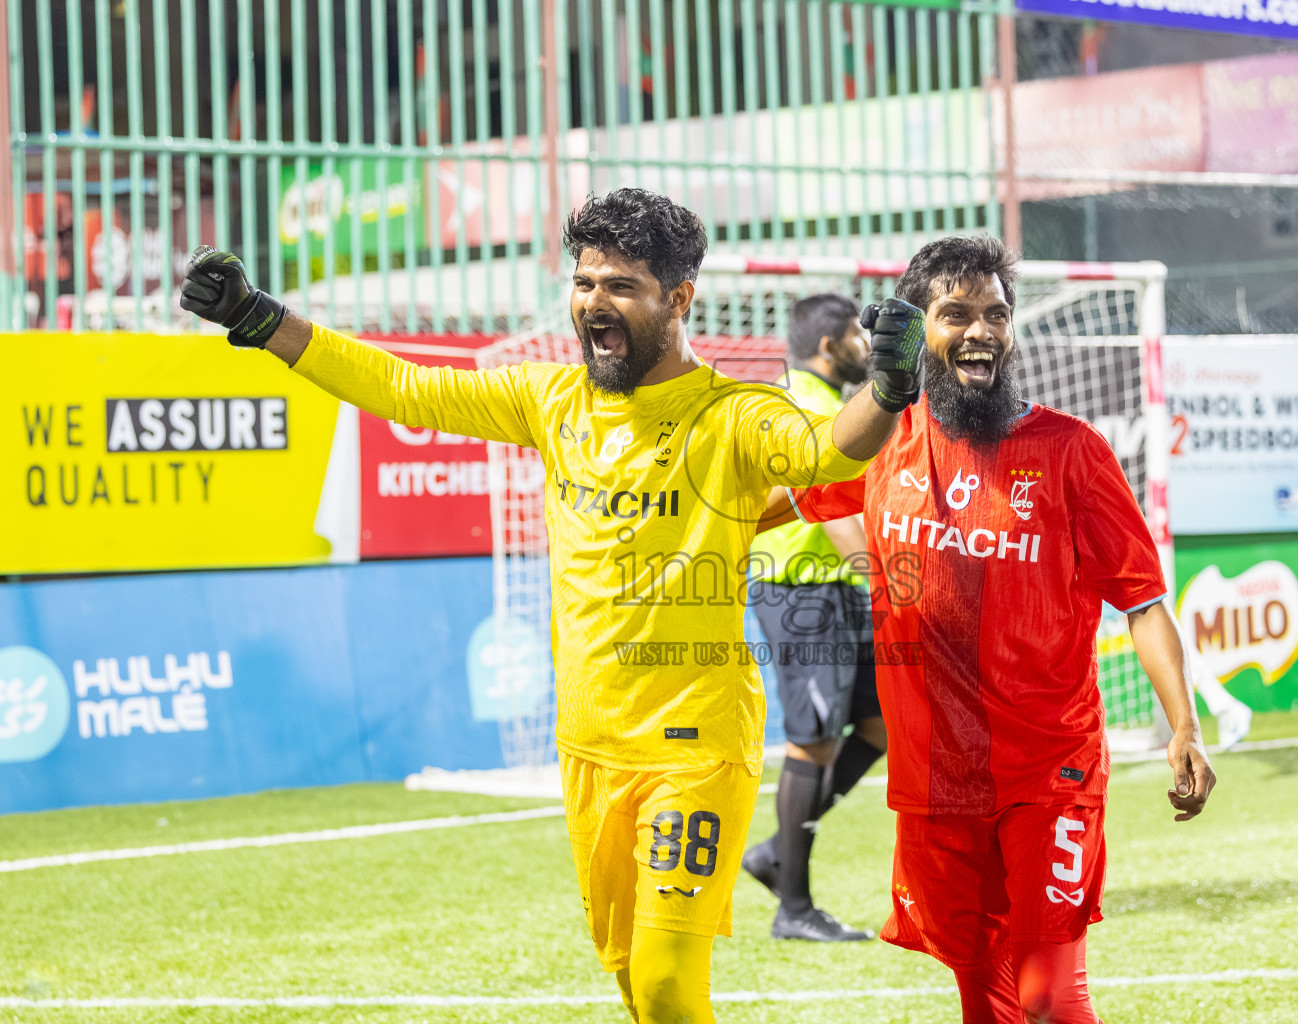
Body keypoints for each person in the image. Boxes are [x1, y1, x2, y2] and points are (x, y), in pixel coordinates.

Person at [178, 188, 928, 1024]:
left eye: (620, 286)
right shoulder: (552, 400)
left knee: (671, 978)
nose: (593, 303)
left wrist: (891, 388)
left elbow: (828, 449)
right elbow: (402, 387)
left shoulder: (734, 415)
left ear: (677, 300)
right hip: (588, 746)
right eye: (585, 282)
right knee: (635, 984)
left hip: (694, 750)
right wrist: (256, 316)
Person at [759, 235, 1217, 1024]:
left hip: (1051, 772)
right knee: (984, 996)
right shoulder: (875, 445)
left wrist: (1184, 723)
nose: (982, 331)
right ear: (915, 329)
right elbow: (755, 508)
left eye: (996, 314)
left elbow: (1142, 600)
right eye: (956, 313)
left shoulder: (1072, 451)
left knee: (1047, 996)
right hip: (938, 784)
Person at [741, 294, 887, 941]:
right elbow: (832, 512)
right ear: (829, 346)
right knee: (813, 741)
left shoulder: (820, 403)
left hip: (832, 591)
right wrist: (888, 586)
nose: (868, 347)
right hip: (801, 592)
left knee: (882, 725)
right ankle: (793, 910)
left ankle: (776, 852)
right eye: (859, 335)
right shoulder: (805, 409)